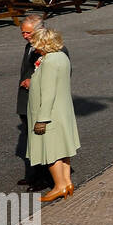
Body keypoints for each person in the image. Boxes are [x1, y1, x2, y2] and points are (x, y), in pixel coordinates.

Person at [25, 28, 80, 203]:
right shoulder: (61, 57)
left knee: (52, 152)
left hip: (50, 113)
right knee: (63, 149)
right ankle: (67, 182)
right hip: (63, 110)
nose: (33, 47)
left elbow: (48, 93)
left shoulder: (49, 62)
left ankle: (59, 186)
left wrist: (42, 119)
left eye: (35, 43)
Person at [16, 13, 66, 191]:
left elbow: (58, 77)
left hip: (41, 102)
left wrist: (34, 81)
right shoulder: (29, 46)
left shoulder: (53, 50)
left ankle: (46, 179)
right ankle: (34, 175)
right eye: (23, 32)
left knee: (44, 142)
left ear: (40, 31)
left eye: (28, 33)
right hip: (26, 99)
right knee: (31, 141)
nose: (25, 36)